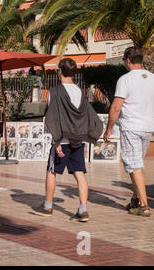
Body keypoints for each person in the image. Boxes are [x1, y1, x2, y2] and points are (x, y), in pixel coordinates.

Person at [33, 58, 102, 222]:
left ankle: (47, 206)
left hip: (62, 141)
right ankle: (83, 209)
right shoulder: (79, 91)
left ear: (59, 71)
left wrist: (56, 141)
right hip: (77, 140)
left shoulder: (55, 91)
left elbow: (52, 118)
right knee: (79, 173)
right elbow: (84, 116)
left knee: (52, 171)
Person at [104, 46, 154, 217]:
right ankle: (135, 200)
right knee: (137, 164)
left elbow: (116, 107)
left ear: (128, 60)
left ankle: (144, 205)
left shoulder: (125, 79)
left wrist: (109, 128)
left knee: (134, 165)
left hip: (131, 127)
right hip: (147, 127)